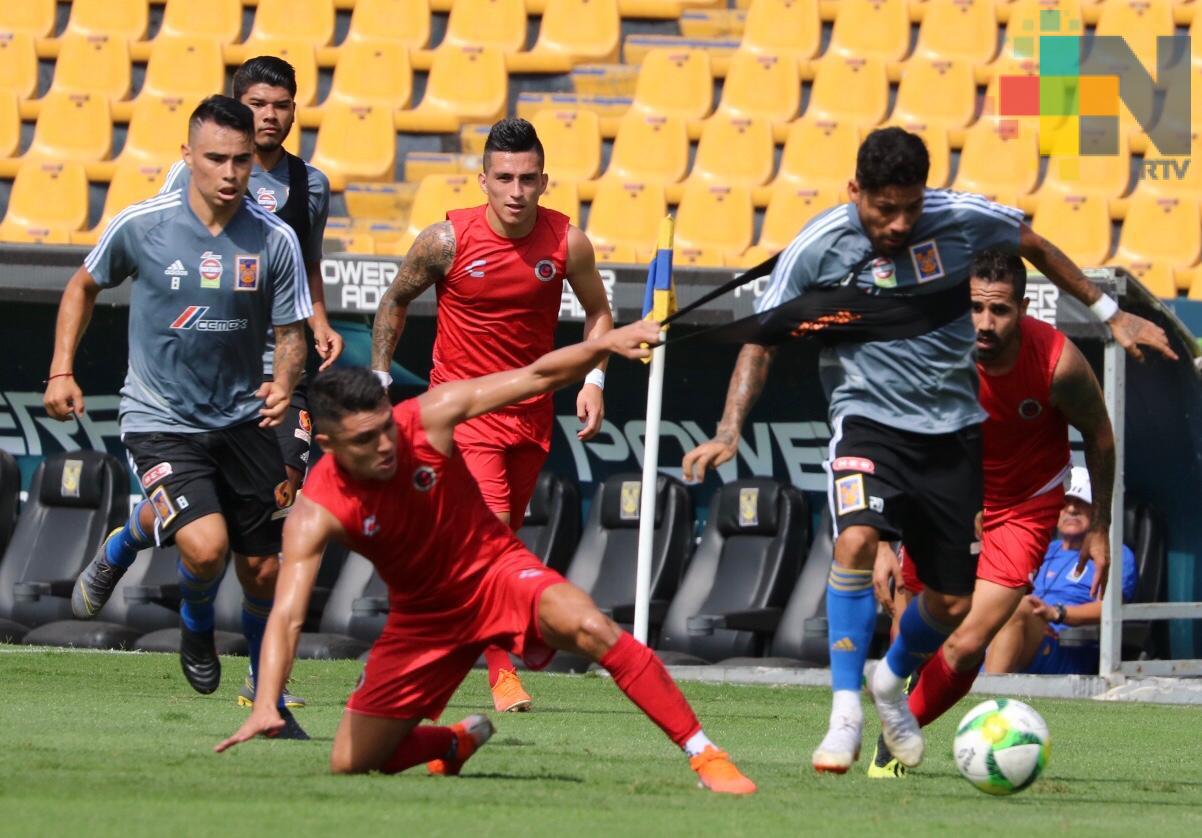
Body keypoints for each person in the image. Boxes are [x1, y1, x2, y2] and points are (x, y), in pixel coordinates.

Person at [681, 127, 1175, 775]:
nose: (900, 223)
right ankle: (846, 715)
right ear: (855, 192)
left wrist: (1109, 311)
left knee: (954, 616)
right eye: (885, 209)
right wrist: (727, 429)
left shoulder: (975, 245)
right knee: (857, 542)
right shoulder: (819, 246)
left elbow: (1029, 239)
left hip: (977, 467)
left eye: (911, 207)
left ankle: (890, 692)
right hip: (868, 421)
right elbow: (762, 339)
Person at [213, 320, 756, 796]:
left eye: (384, 428)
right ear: (328, 445)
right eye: (364, 440)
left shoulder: (428, 416)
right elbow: (286, 614)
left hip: (495, 570)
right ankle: (451, 743)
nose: (384, 445)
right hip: (422, 620)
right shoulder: (316, 511)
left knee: (592, 627)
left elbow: (539, 376)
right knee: (350, 762)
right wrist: (267, 703)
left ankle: (706, 754)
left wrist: (605, 345)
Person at [44, 96, 312, 736]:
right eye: (215, 158)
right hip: (159, 415)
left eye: (241, 161)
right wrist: (60, 368)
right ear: (187, 156)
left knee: (263, 568)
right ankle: (195, 626)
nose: (228, 172)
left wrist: (285, 379)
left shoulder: (274, 239)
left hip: (244, 416)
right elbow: (83, 285)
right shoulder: (143, 223)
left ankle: (256, 685)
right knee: (205, 546)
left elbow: (293, 328)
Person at [370, 117, 614, 714]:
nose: (515, 190)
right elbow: (394, 301)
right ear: (482, 180)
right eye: (503, 177)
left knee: (498, 540)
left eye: (527, 178)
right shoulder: (445, 241)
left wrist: (595, 378)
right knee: (495, 532)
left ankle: (459, 634)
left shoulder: (567, 243)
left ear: (544, 182)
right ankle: (502, 671)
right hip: (462, 410)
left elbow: (599, 313)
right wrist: (379, 381)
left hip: (531, 413)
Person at [866, 249, 1117, 777]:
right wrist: (885, 539)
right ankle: (907, 696)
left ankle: (893, 738)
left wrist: (1100, 524)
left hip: (1025, 507)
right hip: (946, 498)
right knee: (915, 617)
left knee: (968, 639)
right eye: (976, 307)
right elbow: (897, 443)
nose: (985, 322)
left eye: (999, 310)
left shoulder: (1058, 363)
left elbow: (1099, 434)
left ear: (1022, 308)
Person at [160, 56, 340, 709]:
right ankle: (136, 539)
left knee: (271, 545)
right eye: (258, 103)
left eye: (282, 104)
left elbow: (307, 264)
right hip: (205, 373)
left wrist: (318, 320)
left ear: (295, 110)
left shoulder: (309, 184)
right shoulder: (192, 179)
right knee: (204, 535)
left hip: (281, 377)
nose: (271, 115)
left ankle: (265, 681)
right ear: (238, 107)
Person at [984, 467, 1138, 675]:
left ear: (1098, 512)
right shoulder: (1043, 548)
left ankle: (986, 695)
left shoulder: (1115, 553)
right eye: (1065, 503)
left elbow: (1110, 608)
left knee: (1017, 609)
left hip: (1065, 647)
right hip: (1015, 630)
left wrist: (1057, 613)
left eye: (1081, 504)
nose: (1071, 510)